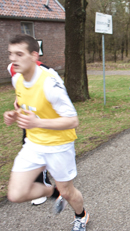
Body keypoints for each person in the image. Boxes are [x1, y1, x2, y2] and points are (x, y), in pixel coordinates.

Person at [4, 34, 89, 231]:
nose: (13, 59)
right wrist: (14, 114)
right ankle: (54, 192)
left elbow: (72, 120)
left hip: (59, 145)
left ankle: (81, 215)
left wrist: (37, 122)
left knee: (69, 192)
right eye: (10, 54)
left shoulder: (50, 83)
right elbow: (24, 104)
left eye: (19, 54)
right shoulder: (17, 79)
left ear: (34, 55)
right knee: (16, 194)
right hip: (33, 144)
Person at [8, 61, 55, 206]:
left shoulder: (46, 70)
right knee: (29, 144)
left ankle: (48, 181)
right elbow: (20, 91)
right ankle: (41, 183)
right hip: (28, 117)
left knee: (48, 146)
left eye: (19, 53)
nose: (15, 57)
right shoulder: (13, 68)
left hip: (45, 117)